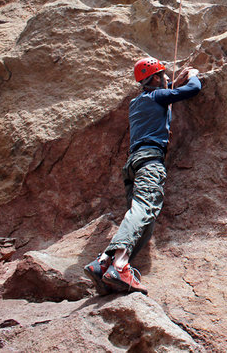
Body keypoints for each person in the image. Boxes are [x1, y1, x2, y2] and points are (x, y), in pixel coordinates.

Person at [83, 57, 201, 294]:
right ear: (156, 78)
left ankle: (103, 263)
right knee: (144, 210)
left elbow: (164, 93)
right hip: (149, 161)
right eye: (164, 75)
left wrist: (170, 84)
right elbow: (193, 89)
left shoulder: (137, 102)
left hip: (132, 164)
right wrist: (194, 74)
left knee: (144, 221)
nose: (168, 78)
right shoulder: (157, 97)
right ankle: (120, 265)